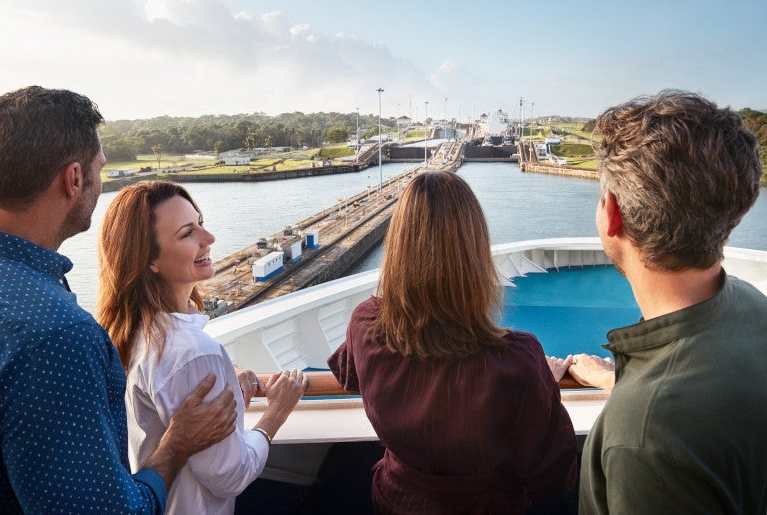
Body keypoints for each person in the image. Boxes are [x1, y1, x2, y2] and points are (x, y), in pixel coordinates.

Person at [0, 86, 237, 513]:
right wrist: (176, 446)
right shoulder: (55, 336)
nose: (101, 182)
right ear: (73, 179)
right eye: (100, 170)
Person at [327, 170, 577, 514]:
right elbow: (552, 472)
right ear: (475, 254)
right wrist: (543, 381)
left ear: (398, 245)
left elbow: (350, 373)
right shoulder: (516, 363)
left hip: (394, 501)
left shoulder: (366, 326)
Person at [578, 90, 766, 514]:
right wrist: (622, 382)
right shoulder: (752, 307)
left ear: (612, 215)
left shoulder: (645, 436)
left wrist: (641, 398)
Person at [97, 180, 308, 514]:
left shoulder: (128, 329)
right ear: (148, 260)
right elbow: (230, 476)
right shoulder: (193, 352)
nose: (209, 239)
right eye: (187, 233)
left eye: (201, 224)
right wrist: (277, 412)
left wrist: (231, 380)